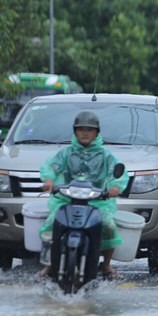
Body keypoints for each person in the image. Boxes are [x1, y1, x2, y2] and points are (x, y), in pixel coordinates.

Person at [39, 111, 130, 279]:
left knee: (109, 225)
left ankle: (106, 265)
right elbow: (51, 166)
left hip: (97, 201)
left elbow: (117, 172)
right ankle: (49, 264)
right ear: (74, 132)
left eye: (90, 129)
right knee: (52, 222)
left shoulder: (105, 155)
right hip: (67, 200)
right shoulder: (66, 153)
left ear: (97, 132)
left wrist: (115, 187)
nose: (85, 133)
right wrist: (49, 180)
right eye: (81, 129)